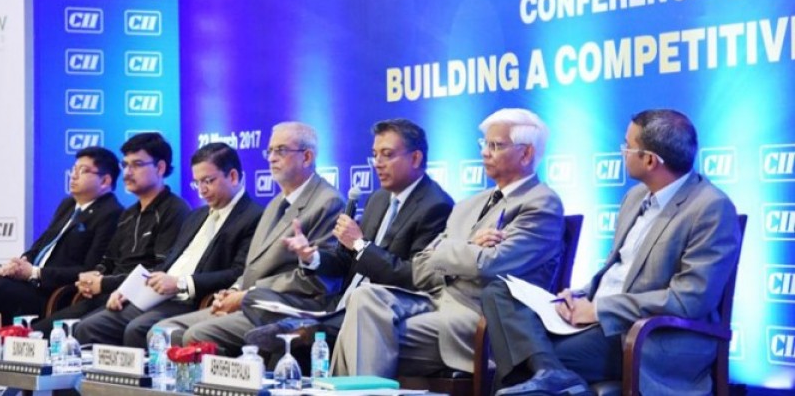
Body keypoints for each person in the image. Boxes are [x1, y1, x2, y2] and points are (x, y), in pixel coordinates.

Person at [484, 109, 741, 396]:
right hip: (596, 324)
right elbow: (617, 270)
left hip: (644, 337)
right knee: (499, 292)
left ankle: (550, 372)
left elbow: (689, 299)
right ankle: (552, 373)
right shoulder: (635, 197)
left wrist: (599, 310)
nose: (622, 152)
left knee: (518, 360)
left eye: (627, 146)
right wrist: (578, 296)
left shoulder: (710, 208)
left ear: (649, 160)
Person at [331, 108, 564, 378]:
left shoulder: (540, 203)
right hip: (435, 300)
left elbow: (488, 265)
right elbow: (420, 266)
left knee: (359, 332)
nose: (484, 152)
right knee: (364, 297)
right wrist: (469, 246)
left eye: (496, 146)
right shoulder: (469, 204)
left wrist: (455, 250)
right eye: (484, 144)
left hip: (477, 318)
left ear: (526, 153)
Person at [241, 118, 454, 351]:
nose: (377, 163)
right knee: (255, 299)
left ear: (415, 158)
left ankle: (308, 330)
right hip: (340, 302)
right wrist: (312, 257)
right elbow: (345, 261)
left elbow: (413, 277)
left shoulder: (436, 206)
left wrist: (360, 244)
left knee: (313, 324)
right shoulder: (378, 199)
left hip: (376, 307)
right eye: (375, 155)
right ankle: (306, 327)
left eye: (387, 154)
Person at [152, 121, 344, 353]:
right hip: (252, 301)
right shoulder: (275, 203)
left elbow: (319, 281)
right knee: (163, 331)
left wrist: (247, 295)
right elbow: (253, 266)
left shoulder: (328, 202)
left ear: (306, 157)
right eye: (270, 151)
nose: (271, 158)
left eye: (281, 150)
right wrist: (233, 291)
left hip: (285, 308)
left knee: (197, 335)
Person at [75, 142, 263, 347]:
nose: (202, 190)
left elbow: (237, 273)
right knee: (88, 326)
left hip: (192, 300)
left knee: (138, 328)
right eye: (197, 183)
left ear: (232, 176)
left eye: (208, 181)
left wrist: (181, 284)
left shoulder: (253, 217)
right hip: (157, 296)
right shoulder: (196, 215)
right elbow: (167, 265)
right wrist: (130, 289)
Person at [0, 147, 123, 331]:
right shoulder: (68, 205)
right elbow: (42, 245)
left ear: (105, 181)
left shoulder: (110, 214)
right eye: (74, 169)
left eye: (83, 170)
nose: (74, 175)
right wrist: (20, 264)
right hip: (32, 285)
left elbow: (89, 270)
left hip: (55, 295)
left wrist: (34, 272)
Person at [34, 132, 189, 333]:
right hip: (110, 293)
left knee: (76, 330)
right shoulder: (128, 214)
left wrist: (105, 283)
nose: (127, 173)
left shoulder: (175, 210)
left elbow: (160, 269)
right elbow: (108, 261)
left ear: (160, 168)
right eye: (125, 165)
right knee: (43, 331)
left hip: (141, 298)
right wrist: (92, 277)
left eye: (137, 165)